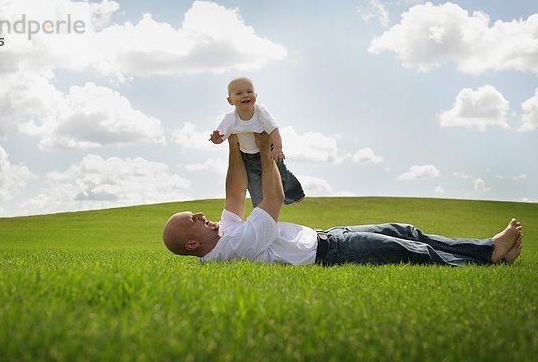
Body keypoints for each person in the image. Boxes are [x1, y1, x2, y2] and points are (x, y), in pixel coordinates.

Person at [163, 133, 524, 266]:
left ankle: (488, 249)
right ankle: (490, 255)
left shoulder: (222, 234)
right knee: (409, 251)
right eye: (192, 218)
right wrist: (267, 150)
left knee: (405, 230)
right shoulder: (231, 248)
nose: (200, 213)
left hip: (328, 234)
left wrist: (233, 142)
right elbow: (271, 201)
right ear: (193, 242)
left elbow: (233, 191)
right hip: (332, 252)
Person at [209, 76, 305, 207]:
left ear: (255, 95)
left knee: (281, 171)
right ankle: (261, 206)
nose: (245, 95)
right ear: (230, 100)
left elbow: (274, 129)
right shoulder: (230, 118)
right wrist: (216, 138)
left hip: (270, 150)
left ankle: (294, 195)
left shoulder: (261, 112)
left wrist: (278, 148)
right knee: (253, 181)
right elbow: (220, 137)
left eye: (249, 92)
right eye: (239, 93)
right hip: (247, 157)